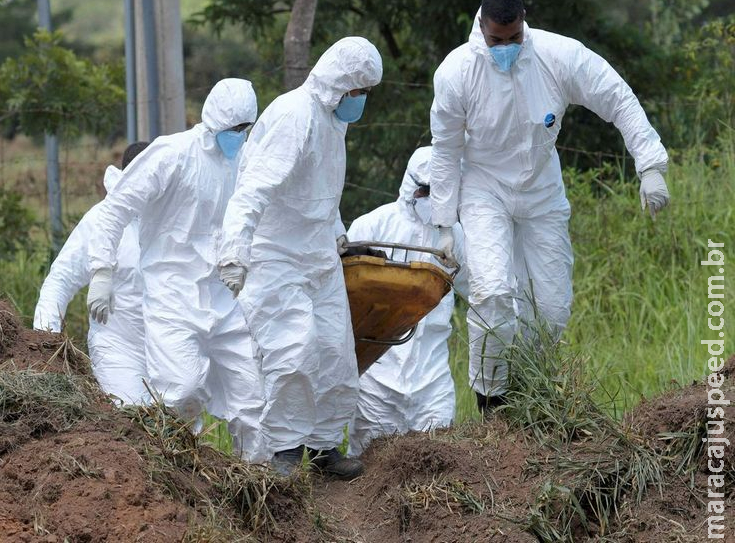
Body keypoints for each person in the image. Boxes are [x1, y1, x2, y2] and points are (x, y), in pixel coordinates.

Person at [429, 0, 670, 412]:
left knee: (553, 308)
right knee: (492, 292)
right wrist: (444, 222)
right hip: (485, 186)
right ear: (481, 28)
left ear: (524, 24)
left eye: (514, 39)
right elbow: (445, 148)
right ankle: (492, 402)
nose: (505, 48)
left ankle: (530, 391)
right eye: (495, 41)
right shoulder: (456, 73)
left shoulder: (559, 56)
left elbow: (617, 97)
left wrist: (649, 165)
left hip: (541, 187)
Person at [217, 37, 383, 478]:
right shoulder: (296, 115)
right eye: (359, 92)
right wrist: (235, 250)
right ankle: (285, 450)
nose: (361, 101)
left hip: (317, 255)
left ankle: (324, 447)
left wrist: (342, 238)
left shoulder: (332, 121)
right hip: (276, 255)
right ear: (340, 86)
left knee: (335, 352)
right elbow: (254, 189)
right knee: (294, 349)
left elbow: (320, 195)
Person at [86, 78, 266, 462]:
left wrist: (238, 259)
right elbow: (115, 209)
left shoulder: (243, 162)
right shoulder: (171, 155)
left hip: (223, 295)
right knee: (180, 391)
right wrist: (102, 271)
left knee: (251, 394)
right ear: (215, 121)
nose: (240, 136)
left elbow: (254, 213)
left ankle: (261, 482)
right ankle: (175, 470)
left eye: (245, 129)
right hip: (172, 295)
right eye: (234, 129)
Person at [346, 146, 469, 456]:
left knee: (438, 465)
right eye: (425, 190)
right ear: (409, 186)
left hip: (432, 380)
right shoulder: (371, 226)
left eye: (440, 191)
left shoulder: (454, 237)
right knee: (367, 473)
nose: (432, 199)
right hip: (376, 378)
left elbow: (482, 291)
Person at [33, 141, 149, 406]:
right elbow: (61, 280)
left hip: (170, 346)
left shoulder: (174, 217)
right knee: (132, 417)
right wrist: (46, 343)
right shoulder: (101, 221)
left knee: (183, 427)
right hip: (119, 348)